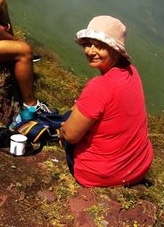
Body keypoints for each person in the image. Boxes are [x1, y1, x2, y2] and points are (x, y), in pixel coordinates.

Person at [59, 15, 153, 187]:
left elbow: (71, 136)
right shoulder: (132, 72)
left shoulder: (100, 86)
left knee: (66, 120)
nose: (90, 51)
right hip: (139, 166)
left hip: (101, 174)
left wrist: (62, 130)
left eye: (100, 46)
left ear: (116, 51)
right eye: (88, 44)